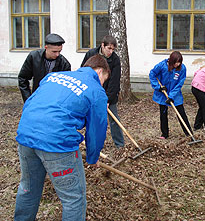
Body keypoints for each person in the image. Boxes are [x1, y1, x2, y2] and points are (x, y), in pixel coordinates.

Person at [14, 54, 110, 221]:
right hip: (56, 144)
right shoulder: (96, 90)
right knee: (74, 198)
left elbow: (32, 102)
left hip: (26, 135)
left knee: (28, 189)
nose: (102, 84)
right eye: (104, 80)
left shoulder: (54, 76)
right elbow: (97, 129)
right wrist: (93, 157)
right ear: (100, 72)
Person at [81, 35, 124, 148]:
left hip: (109, 94)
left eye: (113, 49)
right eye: (108, 48)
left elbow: (114, 81)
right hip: (92, 93)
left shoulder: (115, 60)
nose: (110, 51)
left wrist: (107, 99)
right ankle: (92, 144)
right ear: (102, 45)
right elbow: (83, 70)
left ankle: (119, 144)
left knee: (114, 120)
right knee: (93, 119)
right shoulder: (91, 54)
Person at [149, 51, 193, 139]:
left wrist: (171, 96)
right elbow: (152, 74)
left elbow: (179, 83)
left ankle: (189, 133)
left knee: (181, 113)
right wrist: (158, 87)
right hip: (163, 93)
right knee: (163, 114)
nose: (178, 64)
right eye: (176, 62)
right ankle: (164, 134)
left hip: (175, 94)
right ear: (171, 61)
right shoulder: (162, 65)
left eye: (179, 62)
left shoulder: (182, 68)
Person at [18, 33, 71, 102]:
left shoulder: (64, 64)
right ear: (46, 47)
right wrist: (28, 99)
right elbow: (23, 78)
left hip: (54, 100)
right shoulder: (34, 57)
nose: (57, 54)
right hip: (36, 97)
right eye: (54, 52)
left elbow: (65, 87)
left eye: (59, 51)